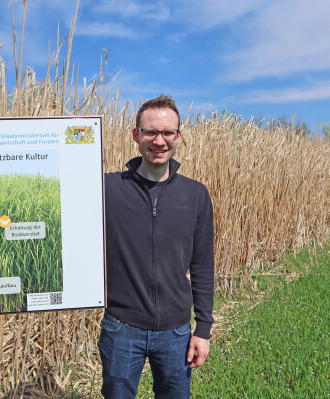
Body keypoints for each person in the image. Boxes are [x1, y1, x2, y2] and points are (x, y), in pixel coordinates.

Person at [100, 95, 214, 398]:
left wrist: (202, 329)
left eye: (167, 133)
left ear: (179, 137)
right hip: (121, 328)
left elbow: (203, 266)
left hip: (176, 331)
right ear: (136, 135)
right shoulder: (107, 189)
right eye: (150, 132)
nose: (159, 140)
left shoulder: (195, 194)